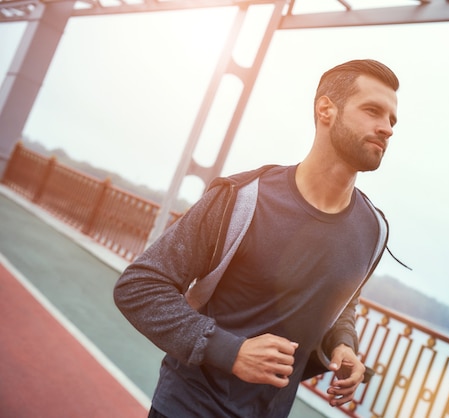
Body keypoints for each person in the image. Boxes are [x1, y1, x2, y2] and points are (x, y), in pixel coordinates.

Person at [114, 58, 400, 418]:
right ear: (326, 109)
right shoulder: (242, 198)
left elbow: (343, 305)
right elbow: (139, 286)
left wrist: (344, 344)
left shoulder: (374, 229)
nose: (387, 128)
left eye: (392, 120)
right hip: (188, 408)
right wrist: (230, 351)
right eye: (373, 111)